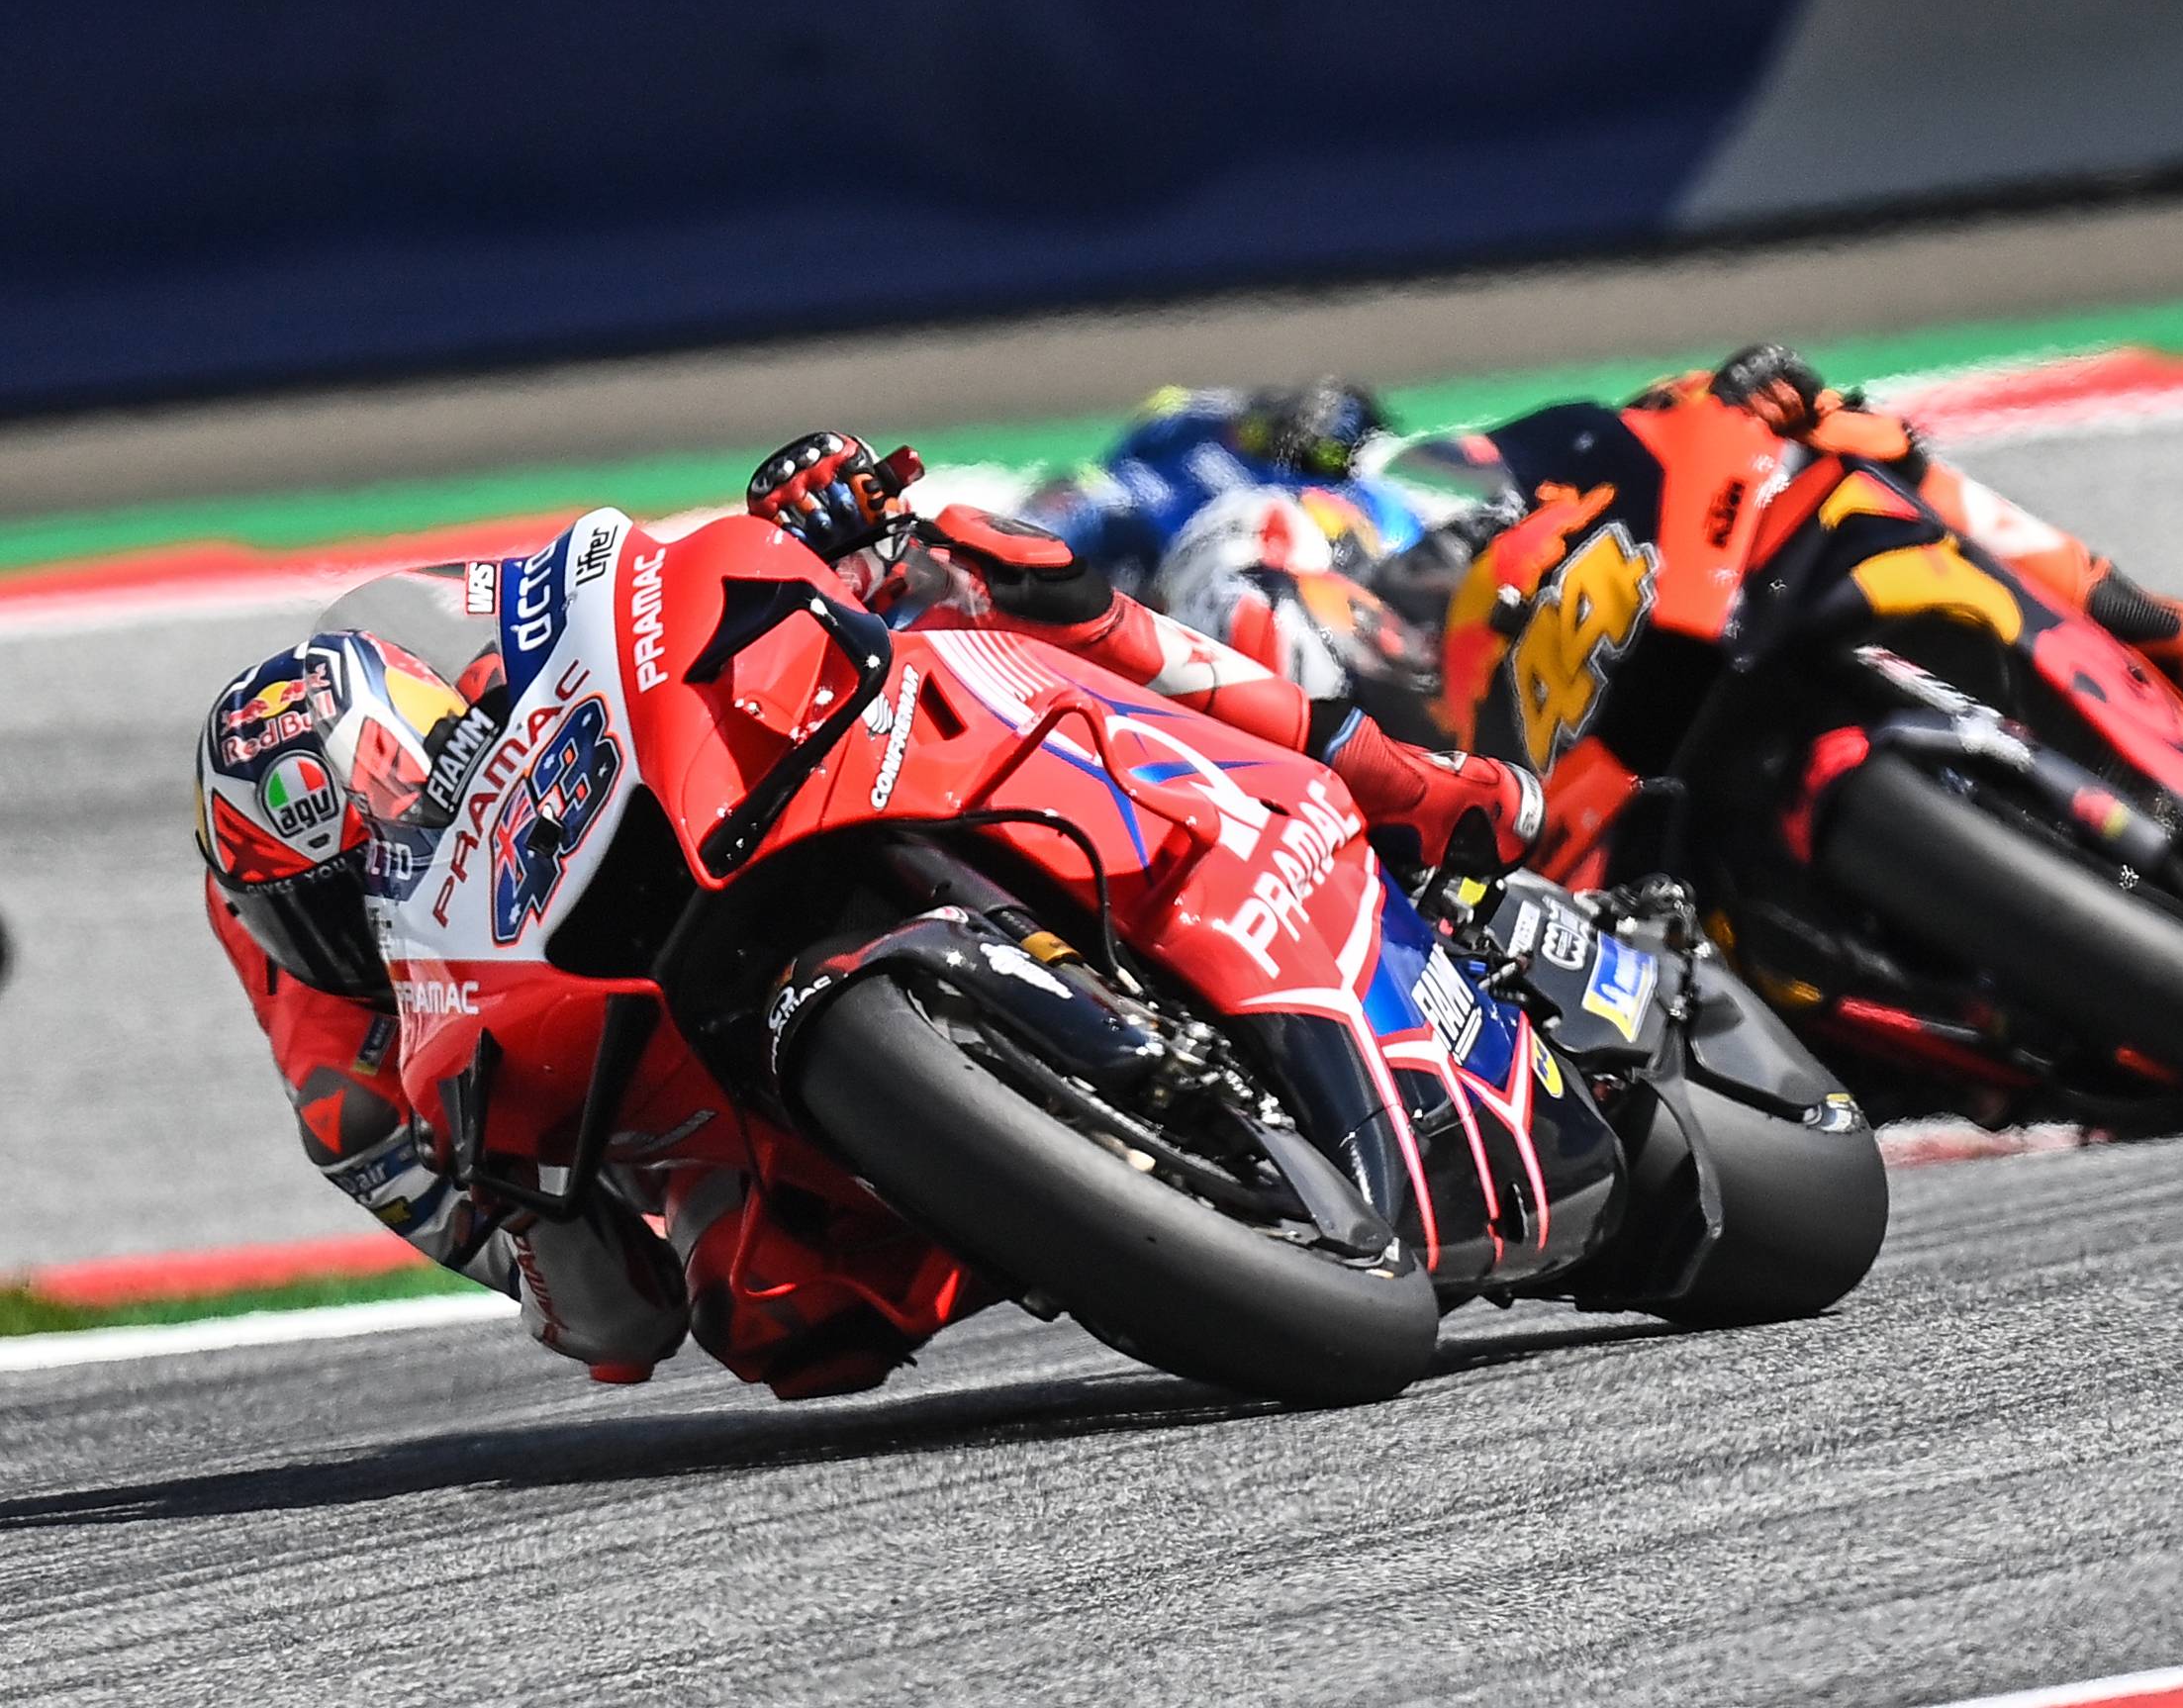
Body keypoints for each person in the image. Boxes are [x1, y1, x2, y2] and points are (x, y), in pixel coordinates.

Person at [197, 432, 1542, 1399]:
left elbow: (632, 604)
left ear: (438, 732)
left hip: (728, 839)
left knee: (983, 578)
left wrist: (811, 527)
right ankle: (1052, 1193)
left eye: (391, 827)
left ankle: (1406, 786)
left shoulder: (483, 666)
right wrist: (522, 1207)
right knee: (777, 1325)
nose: (357, 906)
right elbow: (614, 1327)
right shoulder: (343, 1072)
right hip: (660, 1079)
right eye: (318, 908)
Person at [1660, 345, 2183, 731]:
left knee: (1832, 438)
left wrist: (1754, 394)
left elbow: (1671, 422)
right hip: (1678, 707)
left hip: (1791, 575)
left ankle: (2156, 633)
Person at [1019, 379, 1434, 595]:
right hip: (1126, 533)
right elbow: (1133, 444)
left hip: (1202, 582)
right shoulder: (1201, 416)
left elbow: (1395, 545)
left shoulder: (1362, 498)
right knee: (1077, 497)